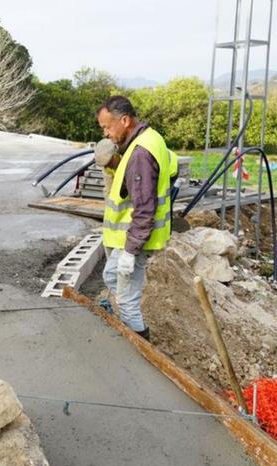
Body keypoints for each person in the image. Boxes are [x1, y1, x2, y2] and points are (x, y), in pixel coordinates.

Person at [96, 96, 178, 341]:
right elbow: (171, 167)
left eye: (108, 127)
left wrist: (131, 252)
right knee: (111, 276)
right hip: (131, 237)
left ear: (124, 120)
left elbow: (144, 209)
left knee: (127, 301)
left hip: (136, 239)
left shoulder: (140, 154)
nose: (107, 134)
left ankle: (140, 348)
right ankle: (127, 324)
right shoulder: (150, 138)